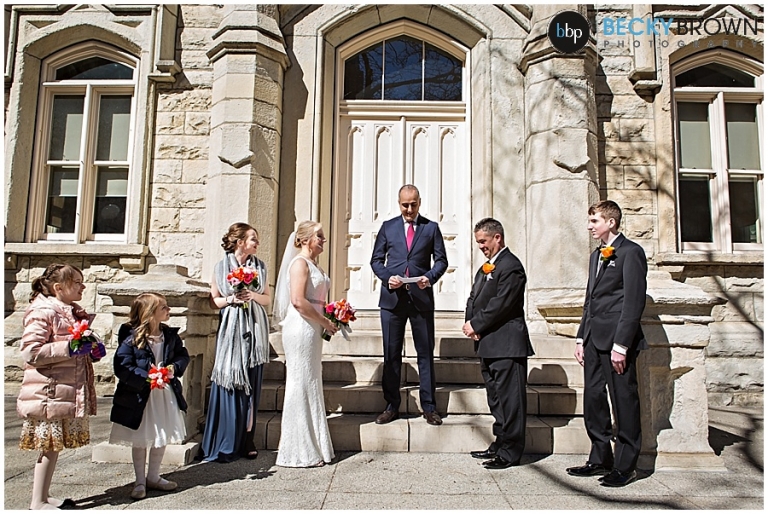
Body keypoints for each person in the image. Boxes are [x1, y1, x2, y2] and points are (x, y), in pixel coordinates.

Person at [566, 200, 647, 487]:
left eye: (594, 221)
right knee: (594, 399)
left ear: (611, 222)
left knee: (624, 401)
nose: (589, 226)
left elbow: (633, 302)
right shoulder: (595, 256)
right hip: (592, 340)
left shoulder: (631, 252)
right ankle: (600, 458)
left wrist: (621, 345)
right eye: (590, 221)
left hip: (616, 343)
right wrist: (581, 337)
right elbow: (590, 300)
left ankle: (626, 466)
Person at [17, 263, 107, 510]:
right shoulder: (43, 312)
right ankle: (37, 502)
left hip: (62, 390)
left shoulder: (71, 312)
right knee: (48, 446)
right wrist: (70, 347)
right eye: (77, 282)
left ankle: (44, 496)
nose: (83, 287)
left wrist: (92, 352)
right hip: (49, 391)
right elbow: (31, 352)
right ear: (58, 287)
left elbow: (75, 350)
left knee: (53, 448)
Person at [370, 185, 448, 426]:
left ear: (419, 202)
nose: (409, 209)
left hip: (420, 300)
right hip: (392, 301)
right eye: (405, 205)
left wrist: (429, 277)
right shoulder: (388, 227)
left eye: (413, 204)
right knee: (391, 354)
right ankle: (391, 406)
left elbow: (441, 261)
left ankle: (429, 407)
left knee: (425, 354)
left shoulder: (431, 228)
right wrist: (387, 278)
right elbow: (376, 260)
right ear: (399, 203)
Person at [462, 219, 534, 469]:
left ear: (497, 238)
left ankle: (511, 451)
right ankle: (500, 442)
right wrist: (470, 324)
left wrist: (476, 324)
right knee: (496, 399)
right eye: (478, 242)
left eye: (483, 241)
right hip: (488, 343)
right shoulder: (486, 268)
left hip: (507, 344)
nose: (480, 246)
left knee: (511, 401)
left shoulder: (511, 266)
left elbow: (502, 304)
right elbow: (473, 298)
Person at [200, 223, 271, 462]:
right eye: (253, 239)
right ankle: (227, 439)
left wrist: (253, 296)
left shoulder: (260, 267)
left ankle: (248, 437)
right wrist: (232, 299)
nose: (257, 243)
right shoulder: (221, 268)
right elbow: (214, 301)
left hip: (255, 330)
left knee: (251, 384)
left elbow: (267, 298)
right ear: (240, 242)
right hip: (231, 331)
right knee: (231, 382)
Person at [109, 293, 190, 500]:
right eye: (164, 307)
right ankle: (139, 481)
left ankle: (153, 475)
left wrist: (173, 368)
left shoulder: (169, 335)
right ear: (150, 313)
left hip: (164, 393)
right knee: (141, 437)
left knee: (160, 433)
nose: (169, 310)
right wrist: (146, 378)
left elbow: (182, 355)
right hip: (140, 394)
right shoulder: (132, 337)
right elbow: (123, 366)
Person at [273, 220, 338, 467]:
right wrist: (325, 321)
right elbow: (298, 301)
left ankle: (316, 444)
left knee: (311, 380)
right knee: (299, 382)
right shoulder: (299, 263)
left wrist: (333, 315)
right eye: (319, 236)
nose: (323, 240)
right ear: (305, 239)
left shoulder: (314, 265)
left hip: (313, 327)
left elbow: (316, 298)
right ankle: (299, 450)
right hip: (301, 328)